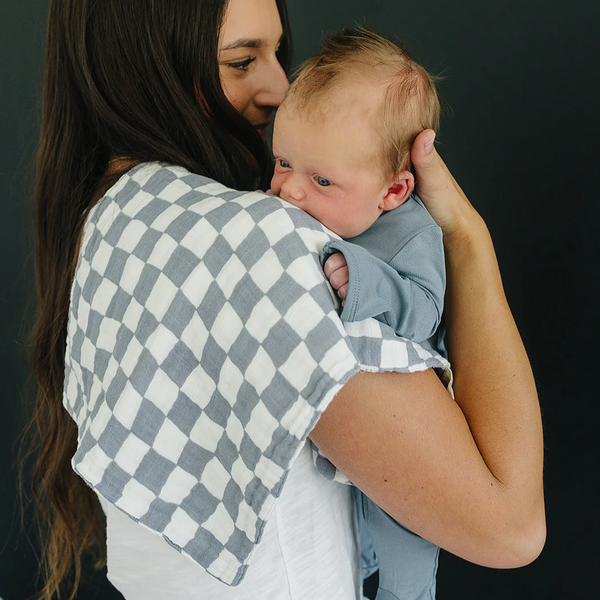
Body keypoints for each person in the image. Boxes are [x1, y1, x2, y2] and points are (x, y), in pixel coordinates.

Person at [24, 1, 546, 600]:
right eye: (242, 61)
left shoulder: (116, 223)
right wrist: (469, 238)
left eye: (277, 54)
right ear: (142, 66)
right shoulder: (263, 241)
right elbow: (510, 527)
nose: (278, 88)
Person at [269, 27, 446, 599]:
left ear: (392, 191)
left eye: (321, 180)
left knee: (404, 564)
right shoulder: (300, 208)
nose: (289, 191)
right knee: (343, 549)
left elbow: (422, 312)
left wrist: (363, 279)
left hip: (412, 435)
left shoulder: (411, 232)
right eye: (282, 162)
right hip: (343, 434)